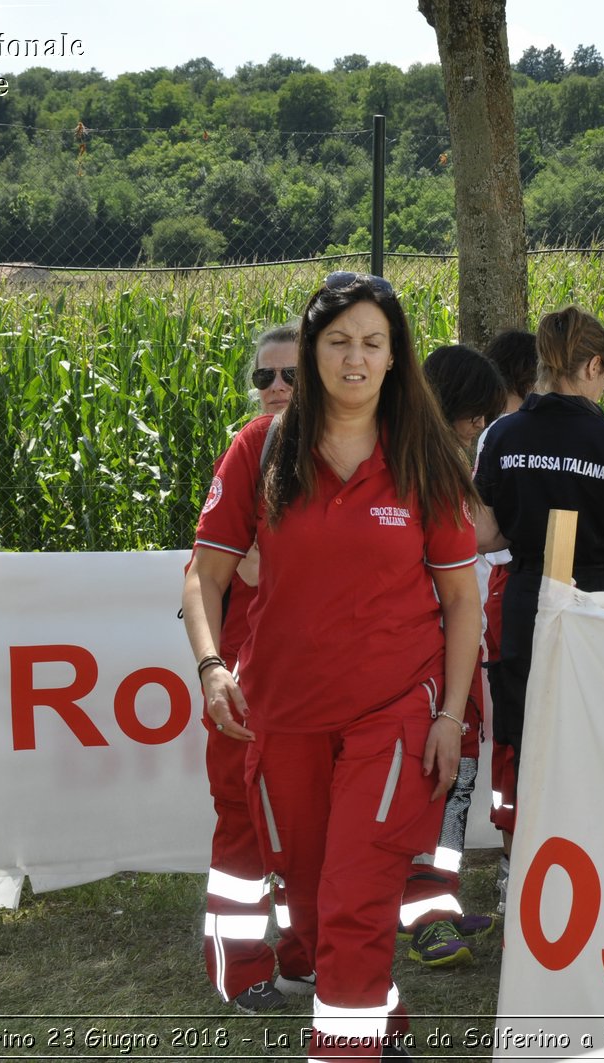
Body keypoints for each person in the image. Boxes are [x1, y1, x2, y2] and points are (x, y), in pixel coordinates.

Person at [183, 273, 480, 1061]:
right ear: (313, 352)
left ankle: (339, 1050)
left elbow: (462, 600)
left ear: (394, 357)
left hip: (393, 714)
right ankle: (380, 1032)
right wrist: (213, 666)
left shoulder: (422, 457)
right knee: (314, 912)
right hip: (283, 717)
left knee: (353, 899)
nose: (355, 358)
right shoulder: (261, 448)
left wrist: (450, 714)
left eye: (372, 343)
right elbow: (204, 575)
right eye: (338, 341)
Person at [474, 306, 604, 801]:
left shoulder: (503, 434)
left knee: (529, 732)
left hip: (527, 597)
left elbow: (483, 535)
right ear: (592, 367)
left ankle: (528, 857)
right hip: (594, 598)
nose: (603, 391)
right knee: (599, 730)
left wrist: (528, 515)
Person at [192, 325, 308, 1014]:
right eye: (263, 377)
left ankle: (302, 958)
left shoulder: (342, 455)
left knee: (305, 829)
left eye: (290, 374)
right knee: (242, 827)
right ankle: (241, 970)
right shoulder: (243, 453)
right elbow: (232, 567)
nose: (275, 388)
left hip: (312, 679)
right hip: (246, 672)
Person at [396, 344, 506, 967]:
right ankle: (425, 918)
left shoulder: (431, 463)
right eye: (476, 420)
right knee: (438, 780)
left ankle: (439, 899)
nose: (479, 432)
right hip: (426, 662)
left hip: (452, 659)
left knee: (457, 780)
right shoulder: (421, 468)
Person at [477, 329, 538, 914]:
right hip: (515, 583)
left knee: (517, 733)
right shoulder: (501, 433)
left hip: (512, 585)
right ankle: (513, 861)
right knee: (518, 731)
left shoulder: (503, 432)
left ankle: (514, 859)